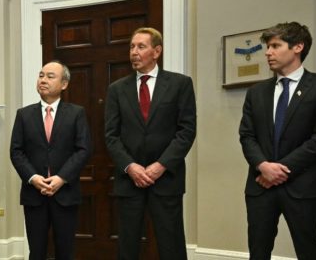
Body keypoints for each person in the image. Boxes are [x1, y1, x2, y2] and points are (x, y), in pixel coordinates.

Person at [239, 22, 316, 259]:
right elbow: (247, 136)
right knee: (258, 251)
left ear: (298, 47)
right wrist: (263, 166)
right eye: (267, 47)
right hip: (260, 185)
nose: (268, 52)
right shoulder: (256, 92)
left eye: (275, 46)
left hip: (303, 186)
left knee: (308, 249)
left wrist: (280, 170)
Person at [105, 27, 196, 260]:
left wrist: (160, 166)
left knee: (171, 243)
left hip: (166, 179)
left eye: (141, 46)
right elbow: (111, 136)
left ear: (157, 51)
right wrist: (130, 167)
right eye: (132, 47)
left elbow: (186, 132)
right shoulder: (117, 89)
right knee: (127, 244)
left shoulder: (180, 84)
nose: (134, 52)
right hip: (129, 180)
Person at [10, 60, 92, 260]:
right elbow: (16, 152)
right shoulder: (24, 114)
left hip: (65, 193)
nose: (43, 80)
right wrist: (33, 178)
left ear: (64, 84)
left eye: (50, 76)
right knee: (36, 251)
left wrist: (61, 178)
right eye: (41, 75)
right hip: (34, 194)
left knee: (65, 250)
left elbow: (83, 150)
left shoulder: (76, 113)